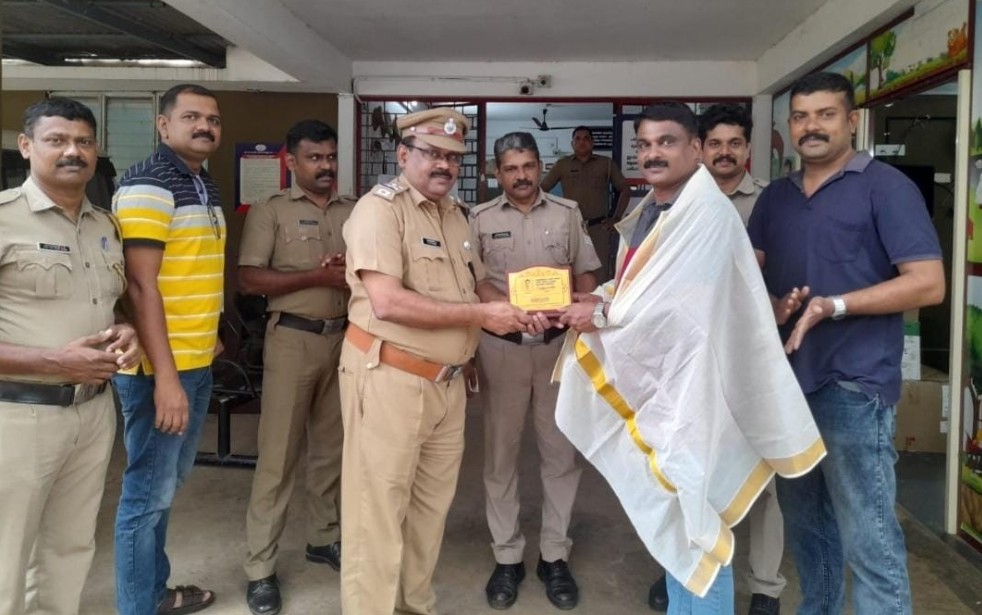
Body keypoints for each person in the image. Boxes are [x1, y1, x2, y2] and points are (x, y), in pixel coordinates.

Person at [556, 102, 825, 615]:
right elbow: (640, 290)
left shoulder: (706, 214)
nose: (653, 153)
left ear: (695, 149)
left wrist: (602, 315)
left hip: (699, 390)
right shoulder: (654, 211)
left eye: (667, 142)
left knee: (700, 518)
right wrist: (601, 300)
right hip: (669, 386)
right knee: (681, 519)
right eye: (645, 144)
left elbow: (675, 309)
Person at [747, 72, 944, 615]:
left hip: (854, 386)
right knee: (809, 530)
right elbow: (747, 274)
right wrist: (773, 304)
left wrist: (833, 305)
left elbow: (928, 283)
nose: (811, 126)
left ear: (852, 121)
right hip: (788, 385)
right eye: (801, 116)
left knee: (868, 538)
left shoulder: (886, 187)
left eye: (825, 114)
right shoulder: (776, 198)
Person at [339, 108, 542, 615]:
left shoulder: (455, 214)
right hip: (390, 378)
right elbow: (388, 302)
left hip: (447, 386)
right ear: (403, 155)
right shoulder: (379, 211)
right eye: (431, 153)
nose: (444, 165)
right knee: (376, 514)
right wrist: (483, 315)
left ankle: (415, 606)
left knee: (430, 512)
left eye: (453, 157)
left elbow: (477, 285)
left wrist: (516, 308)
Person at [0, 97, 139, 615]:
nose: (72, 152)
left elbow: (107, 303)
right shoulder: (5, 220)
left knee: (71, 548)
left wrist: (126, 329)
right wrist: (55, 363)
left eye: (83, 141)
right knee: (7, 555)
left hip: (93, 412)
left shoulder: (105, 225)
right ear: (26, 146)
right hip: (19, 415)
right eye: (56, 140)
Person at [649, 104, 783, 615]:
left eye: (735, 143)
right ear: (699, 149)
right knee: (685, 480)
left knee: (758, 480)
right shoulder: (673, 202)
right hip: (688, 368)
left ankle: (765, 585)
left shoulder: (771, 203)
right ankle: (684, 569)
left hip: (749, 360)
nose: (724, 152)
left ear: (748, 148)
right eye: (715, 143)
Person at [470, 132, 601, 610]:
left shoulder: (566, 213)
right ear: (497, 172)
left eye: (528, 166)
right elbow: (476, 280)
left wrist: (577, 302)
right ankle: (507, 556)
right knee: (500, 457)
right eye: (511, 168)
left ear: (540, 166)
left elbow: (586, 271)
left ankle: (554, 554)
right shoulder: (479, 218)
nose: (521, 176)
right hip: (501, 349)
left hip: (556, 350)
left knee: (560, 455)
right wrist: (502, 308)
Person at [112, 83, 226, 615]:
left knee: (164, 487)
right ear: (163, 125)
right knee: (146, 495)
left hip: (194, 359)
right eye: (191, 117)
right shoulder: (148, 184)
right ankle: (139, 605)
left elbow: (188, 269)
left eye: (213, 119)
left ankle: (154, 592)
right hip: (162, 370)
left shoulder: (200, 182)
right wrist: (165, 378)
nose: (204, 126)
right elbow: (140, 287)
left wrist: (209, 332)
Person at [238, 120, 355, 614]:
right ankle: (260, 567)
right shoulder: (271, 210)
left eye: (330, 157)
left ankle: (323, 538)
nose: (325, 166)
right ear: (291, 162)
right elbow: (248, 280)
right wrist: (315, 276)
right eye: (314, 158)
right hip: (292, 340)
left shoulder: (354, 210)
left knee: (332, 451)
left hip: (344, 341)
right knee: (278, 457)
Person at [541, 126, 630, 277]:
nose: (582, 142)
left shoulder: (606, 164)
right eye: (578, 139)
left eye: (586, 138)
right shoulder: (562, 165)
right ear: (572, 144)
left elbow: (625, 190)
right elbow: (542, 190)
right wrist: (551, 218)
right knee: (570, 271)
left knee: (601, 273)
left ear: (592, 143)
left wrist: (616, 218)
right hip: (570, 228)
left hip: (598, 229)